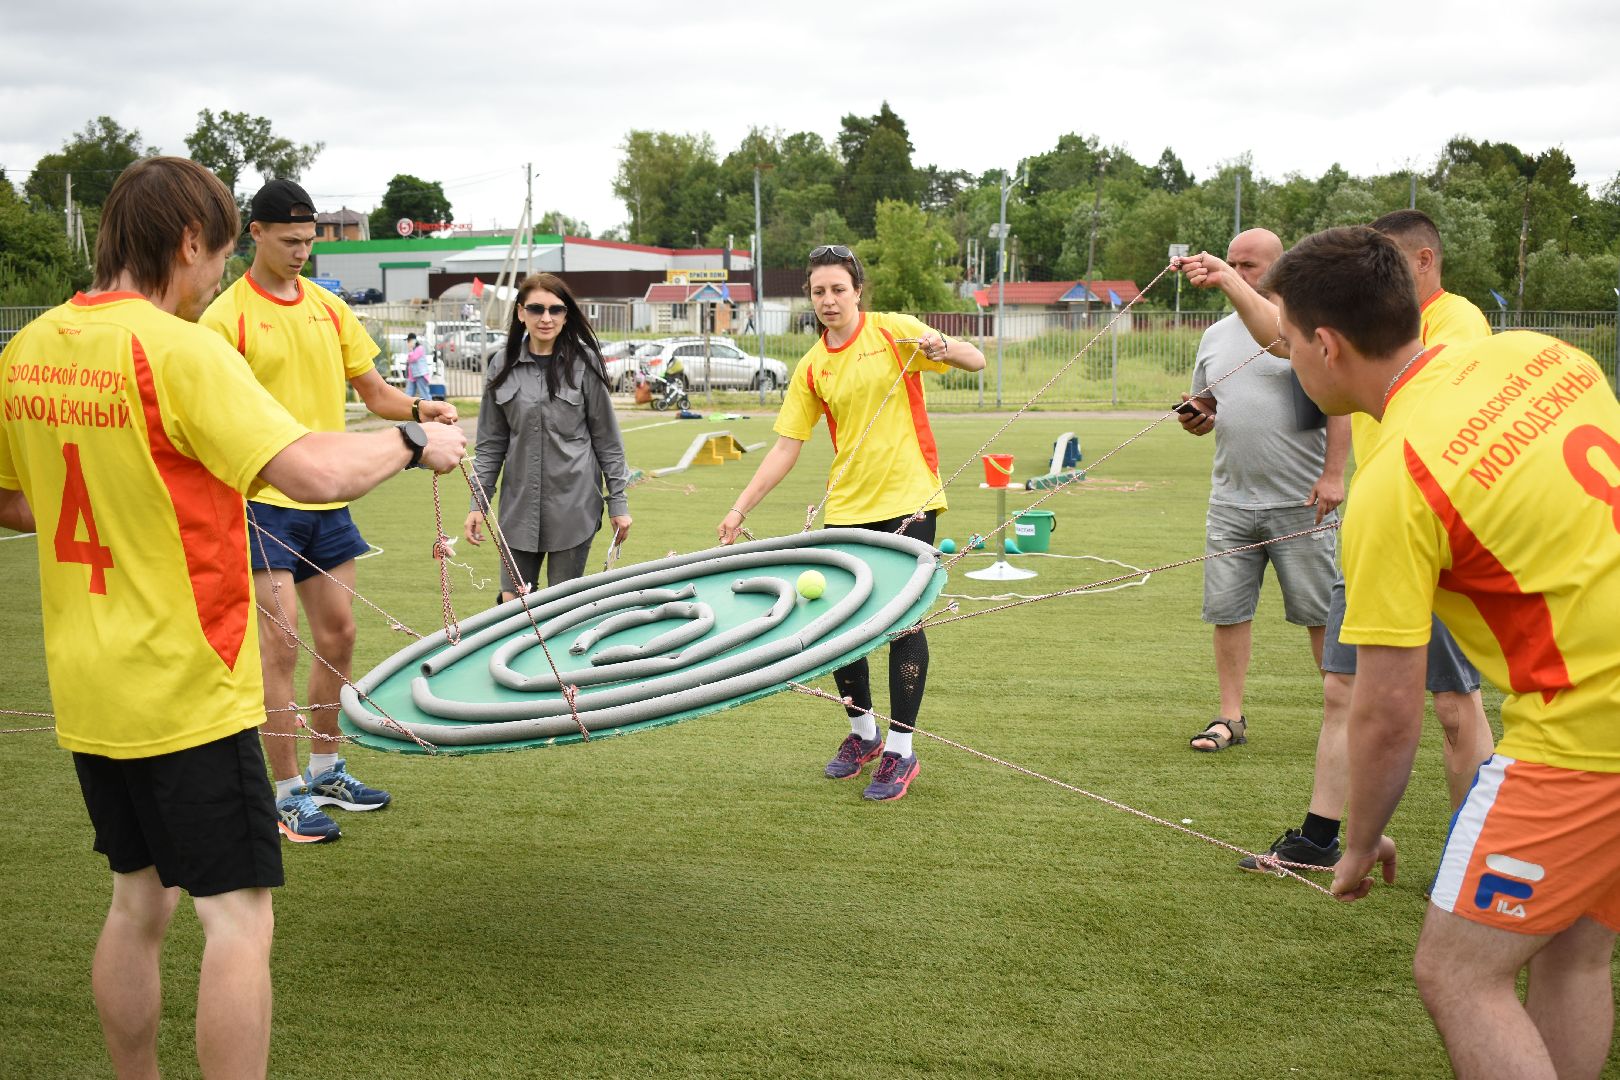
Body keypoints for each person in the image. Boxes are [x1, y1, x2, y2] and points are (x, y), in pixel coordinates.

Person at [0, 156, 466, 1079]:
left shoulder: (31, 347)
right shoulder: (181, 349)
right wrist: (416, 440)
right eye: (217, 255)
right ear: (189, 243)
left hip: (90, 685)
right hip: (185, 683)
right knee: (240, 919)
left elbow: (15, 500)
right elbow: (312, 474)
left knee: (139, 901)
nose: (216, 277)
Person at [1264, 225, 1620, 1079]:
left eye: (1287, 343)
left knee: (1458, 974)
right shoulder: (1540, 354)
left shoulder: (1396, 483)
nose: (1289, 361)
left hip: (1585, 738)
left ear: (1326, 345)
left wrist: (1358, 840)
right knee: (1574, 951)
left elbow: (1388, 711)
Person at [1177, 210, 1497, 874]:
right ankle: (1322, 838)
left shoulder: (1453, 324)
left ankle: (1472, 857)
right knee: (1342, 692)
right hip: (1377, 526)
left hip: (1433, 529)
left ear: (1423, 263)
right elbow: (1283, 341)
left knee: (1451, 703)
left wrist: (1334, 473)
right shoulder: (1356, 328)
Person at [201, 178, 460, 844]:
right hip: (262, 503)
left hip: (328, 500)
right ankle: (286, 793)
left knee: (340, 635)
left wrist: (419, 408)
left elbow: (374, 393)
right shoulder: (224, 319)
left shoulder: (328, 306)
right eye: (290, 240)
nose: (301, 252)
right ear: (255, 234)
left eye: (309, 241)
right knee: (280, 645)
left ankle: (325, 770)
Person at [716, 244, 986, 801]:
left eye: (839, 288)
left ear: (857, 290)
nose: (829, 300)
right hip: (846, 511)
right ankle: (863, 735)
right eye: (819, 291)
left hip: (910, 499)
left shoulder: (893, 330)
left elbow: (974, 359)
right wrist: (740, 507)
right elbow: (786, 446)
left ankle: (901, 750)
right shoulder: (813, 365)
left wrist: (943, 346)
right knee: (842, 630)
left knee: (904, 624)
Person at [1175, 228, 1348, 753]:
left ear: (1278, 268)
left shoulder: (1305, 327)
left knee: (1318, 615)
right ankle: (1229, 718)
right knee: (1227, 613)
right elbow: (1209, 401)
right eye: (1231, 263)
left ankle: (1342, 718)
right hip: (1231, 501)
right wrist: (1196, 415)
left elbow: (1339, 406)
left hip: (1301, 502)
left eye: (1247, 265)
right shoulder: (1215, 335)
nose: (1236, 272)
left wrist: (1333, 475)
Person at [464, 272, 631, 601]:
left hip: (574, 505)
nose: (546, 318)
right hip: (518, 506)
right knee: (512, 603)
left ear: (566, 315)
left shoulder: (584, 363)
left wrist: (618, 503)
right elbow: (490, 445)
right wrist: (477, 504)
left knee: (559, 606)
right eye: (536, 308)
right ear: (520, 312)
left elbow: (607, 441)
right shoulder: (501, 365)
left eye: (556, 309)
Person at [403, 332, 431, 400]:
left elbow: (413, 359)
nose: (407, 343)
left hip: (420, 375)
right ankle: (407, 405)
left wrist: (410, 349)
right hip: (413, 376)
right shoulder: (414, 349)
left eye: (408, 341)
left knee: (424, 394)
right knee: (408, 394)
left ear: (413, 341)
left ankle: (430, 405)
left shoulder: (420, 348)